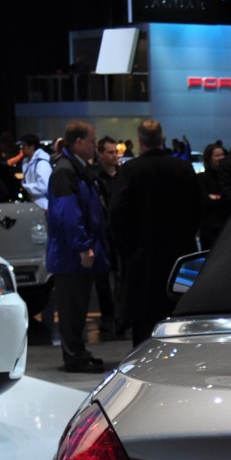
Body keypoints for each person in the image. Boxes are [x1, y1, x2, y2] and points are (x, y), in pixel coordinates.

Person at [109, 118, 202, 345]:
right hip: (180, 255)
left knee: (144, 324)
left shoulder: (130, 170)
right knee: (179, 316)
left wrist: (125, 245)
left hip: (143, 258)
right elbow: (199, 207)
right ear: (163, 139)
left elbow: (117, 210)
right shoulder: (183, 168)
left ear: (139, 141)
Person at [44, 119, 109, 373]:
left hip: (75, 251)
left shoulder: (77, 168)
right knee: (71, 308)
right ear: (79, 142)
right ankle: (74, 357)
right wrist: (82, 245)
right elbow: (67, 213)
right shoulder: (66, 170)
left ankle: (78, 352)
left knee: (78, 305)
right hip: (70, 253)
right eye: (92, 141)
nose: (95, 145)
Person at [93, 136, 125, 339]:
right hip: (102, 233)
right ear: (101, 154)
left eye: (116, 152)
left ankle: (121, 317)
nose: (114, 156)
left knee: (121, 277)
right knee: (103, 279)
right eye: (110, 152)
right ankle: (108, 317)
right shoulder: (94, 177)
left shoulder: (123, 175)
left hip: (120, 232)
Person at [196, 140, 231, 250]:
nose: (221, 158)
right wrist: (223, 198)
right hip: (210, 227)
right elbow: (205, 200)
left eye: (222, 155)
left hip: (227, 225)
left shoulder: (229, 177)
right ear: (209, 158)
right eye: (217, 155)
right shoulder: (201, 178)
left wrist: (216, 197)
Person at [18, 133, 52, 211]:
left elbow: (43, 187)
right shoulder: (27, 162)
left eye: (23, 146)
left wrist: (24, 188)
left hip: (42, 206)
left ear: (32, 147)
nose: (22, 149)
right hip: (33, 204)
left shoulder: (42, 163)